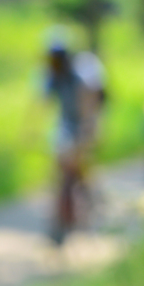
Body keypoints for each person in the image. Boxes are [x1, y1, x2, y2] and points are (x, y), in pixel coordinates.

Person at [43, 38, 106, 244]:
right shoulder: (54, 78)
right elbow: (41, 102)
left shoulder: (76, 78)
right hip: (66, 126)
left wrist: (88, 131)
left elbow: (87, 107)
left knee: (79, 163)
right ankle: (60, 218)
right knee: (59, 168)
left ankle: (89, 197)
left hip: (80, 125)